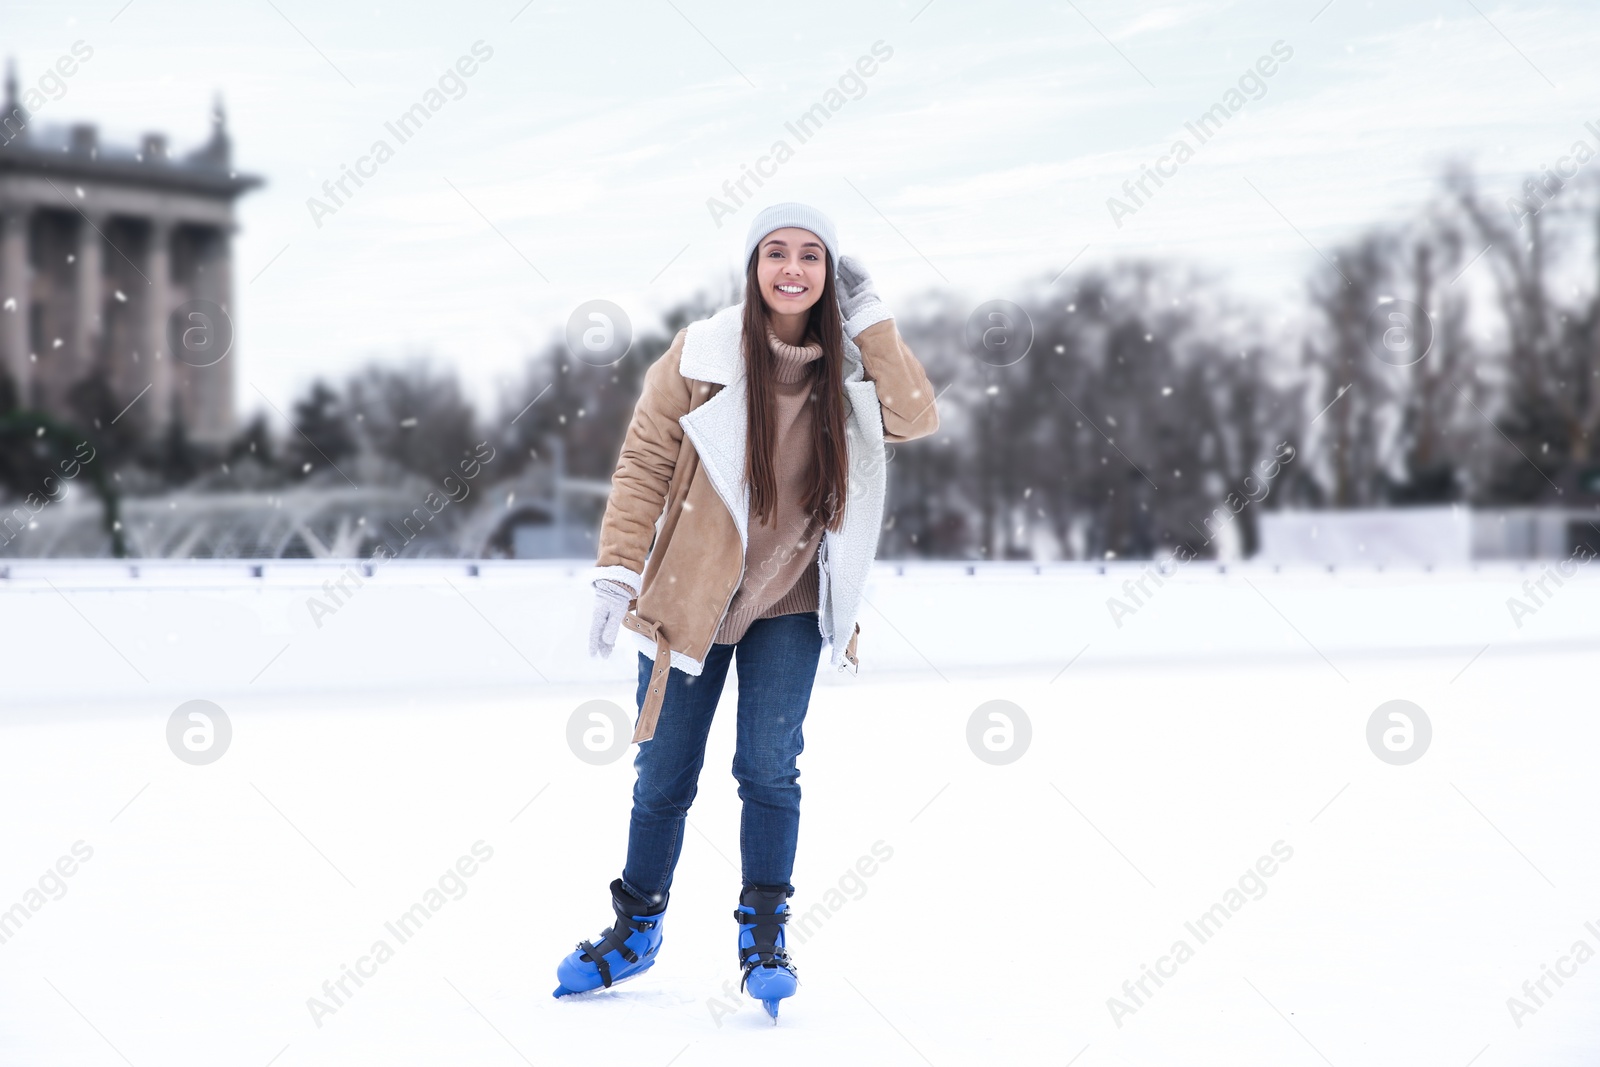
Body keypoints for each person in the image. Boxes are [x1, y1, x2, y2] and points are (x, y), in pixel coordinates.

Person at [552, 202, 939, 1019]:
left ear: (831, 274)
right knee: (663, 776)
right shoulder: (699, 353)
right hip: (689, 599)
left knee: (768, 768)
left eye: (811, 256)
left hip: (792, 603)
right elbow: (642, 465)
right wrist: (617, 570)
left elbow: (915, 417)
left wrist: (870, 321)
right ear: (753, 266)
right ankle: (636, 928)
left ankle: (763, 932)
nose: (792, 269)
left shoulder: (852, 369)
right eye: (776, 253)